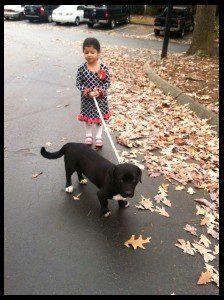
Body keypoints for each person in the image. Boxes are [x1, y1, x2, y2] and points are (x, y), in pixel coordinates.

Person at [76, 37, 111, 147]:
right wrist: (86, 91)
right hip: (87, 99)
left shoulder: (103, 68)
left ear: (98, 53)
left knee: (99, 118)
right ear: (83, 53)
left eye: (92, 52)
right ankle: (88, 135)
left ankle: (99, 137)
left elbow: (107, 82)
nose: (89, 55)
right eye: (86, 52)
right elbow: (78, 83)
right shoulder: (81, 68)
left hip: (100, 99)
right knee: (88, 118)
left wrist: (100, 91)